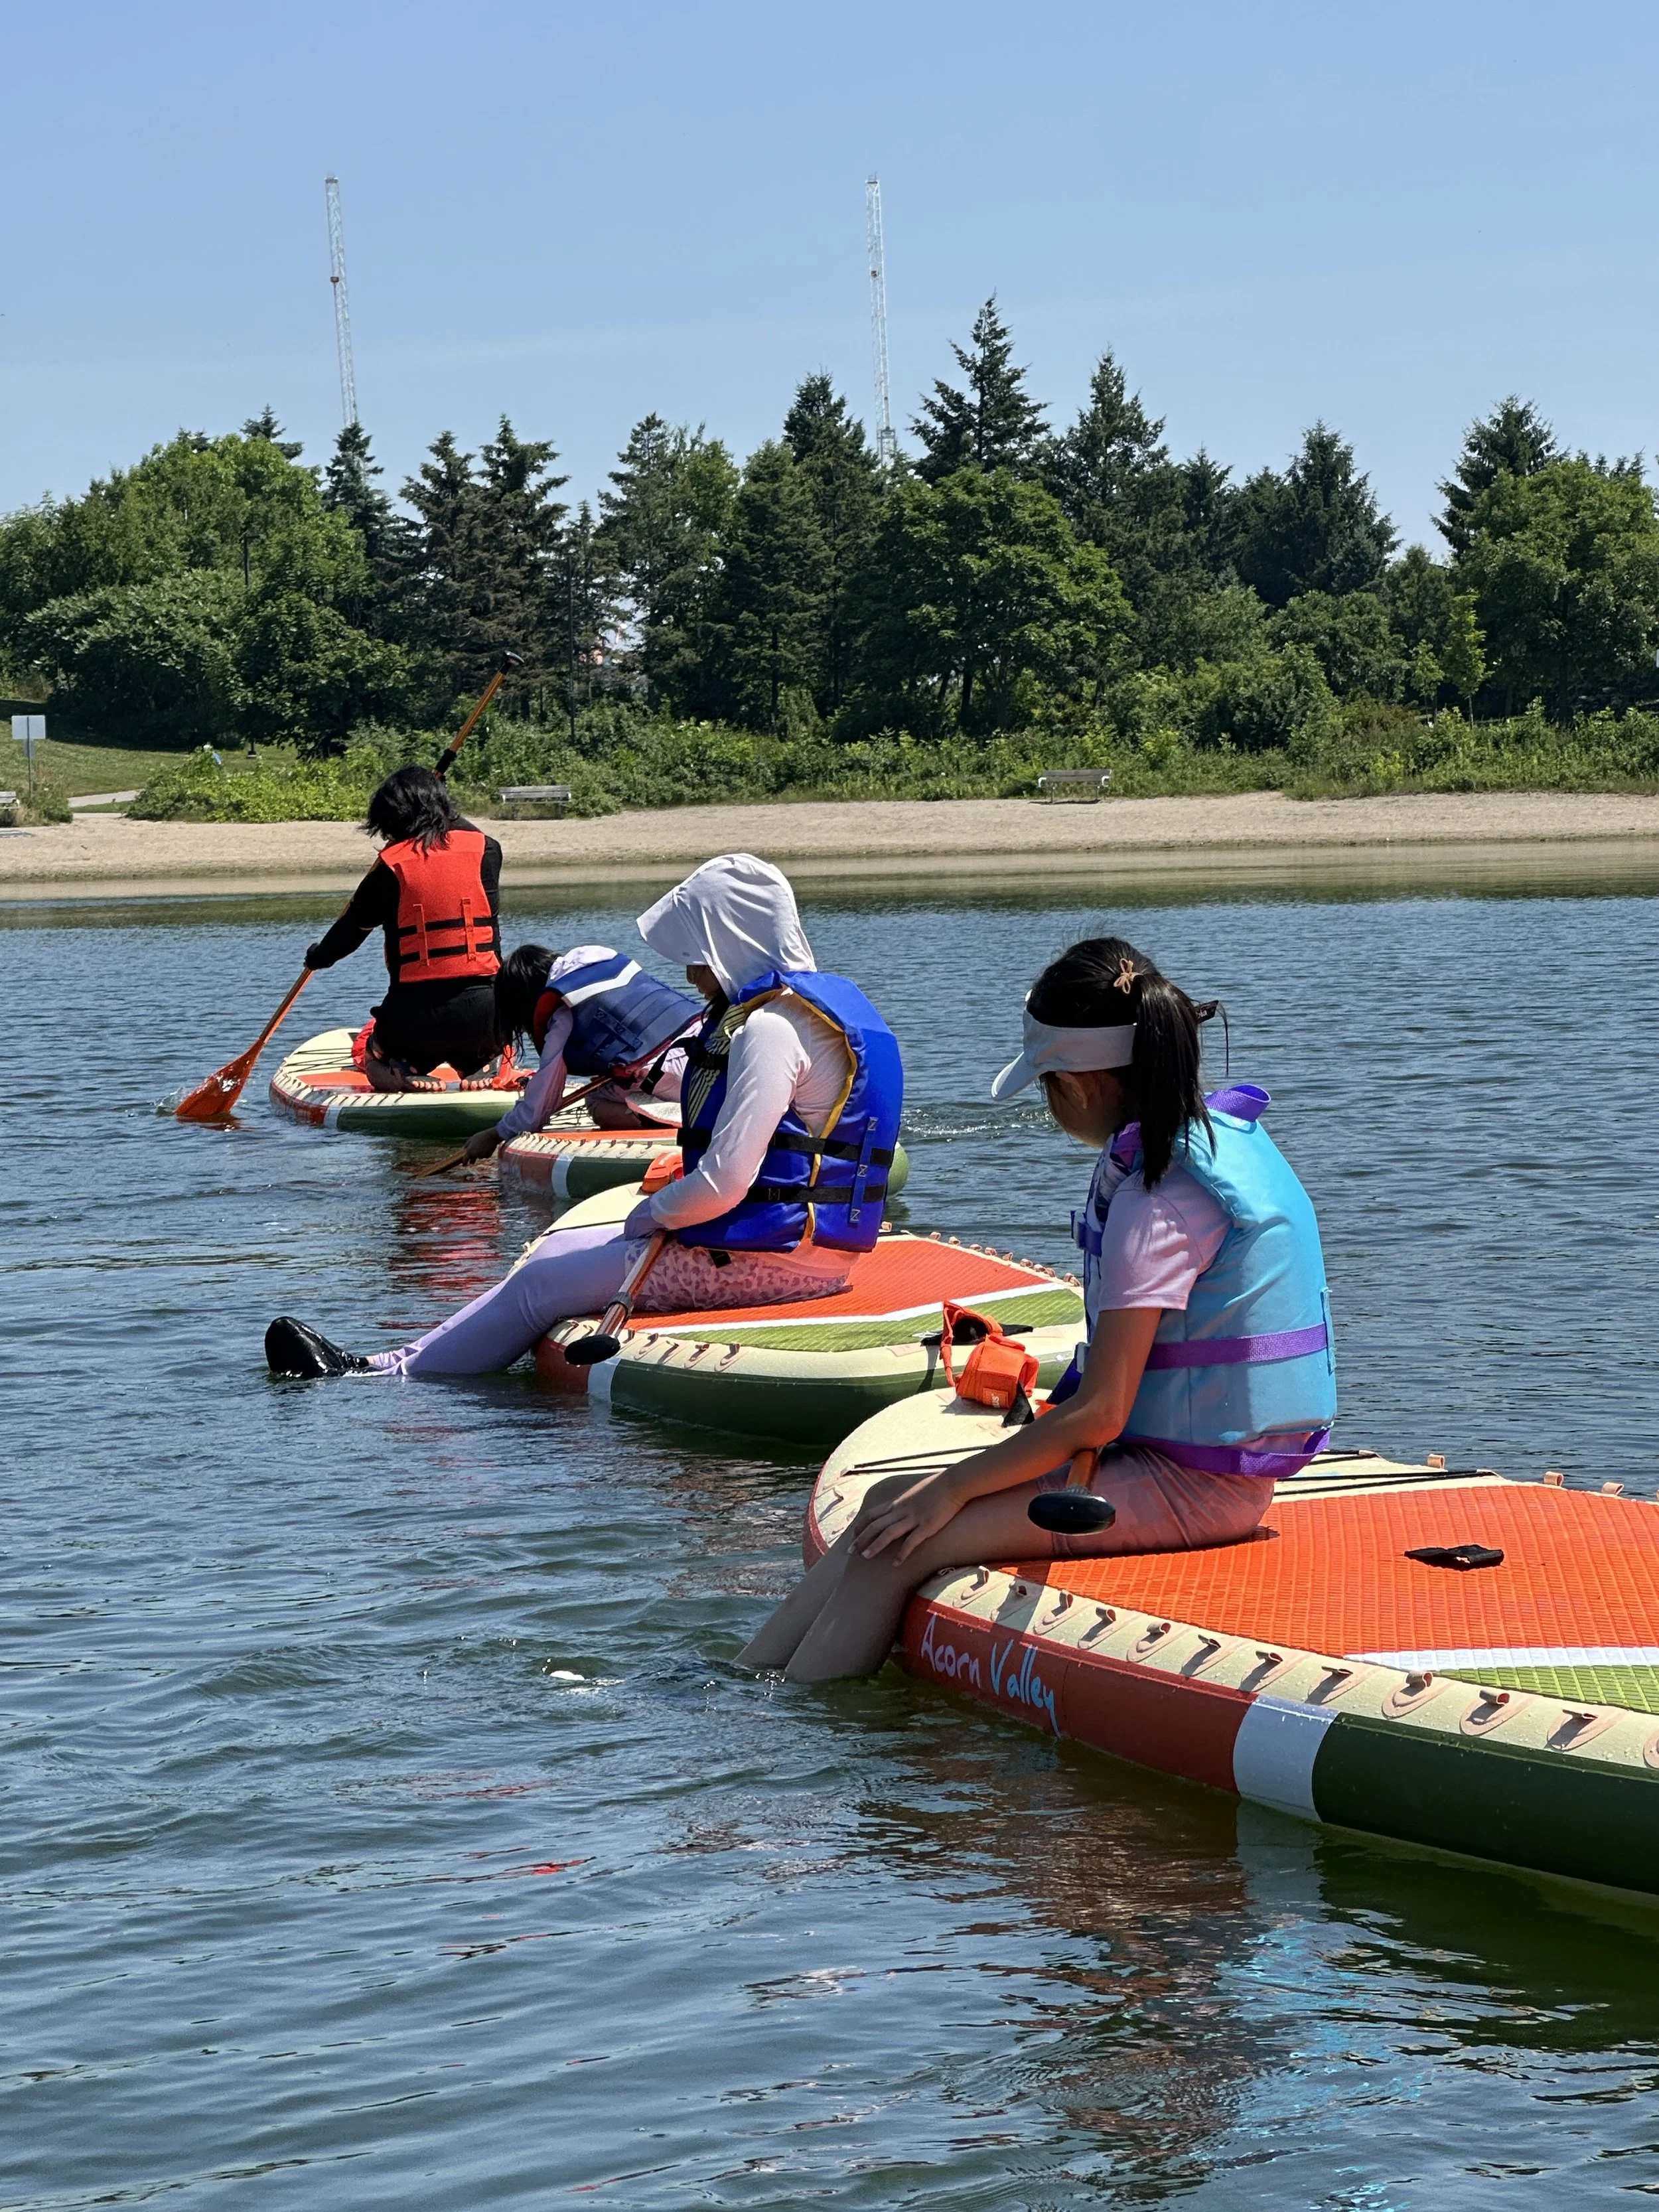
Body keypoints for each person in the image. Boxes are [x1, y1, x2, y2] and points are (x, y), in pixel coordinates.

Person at [740, 934, 1336, 1682]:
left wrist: (954, 1487)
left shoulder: (1156, 1203)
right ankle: (746, 1681)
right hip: (1177, 1467)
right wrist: (935, 1491)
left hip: (1196, 1489)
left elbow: (1102, 1416)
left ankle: (787, 1723)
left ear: (1078, 1085)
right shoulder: (1215, 1143)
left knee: (907, 1537)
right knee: (892, 1503)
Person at [265, 853, 905, 1379]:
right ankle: (402, 1355)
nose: (688, 971)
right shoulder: (820, 1011)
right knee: (559, 1246)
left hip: (774, 1264)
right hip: (811, 1252)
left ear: (728, 942)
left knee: (539, 1284)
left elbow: (726, 1182)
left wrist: (651, 1213)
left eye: (697, 953)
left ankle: (386, 1373)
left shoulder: (769, 1027)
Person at [304, 766, 503, 1091]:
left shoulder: (389, 867)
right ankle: (489, 1063)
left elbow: (349, 933)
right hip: (485, 1016)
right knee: (489, 1037)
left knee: (374, 1053)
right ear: (442, 806)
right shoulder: (488, 851)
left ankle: (399, 1070)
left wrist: (317, 957)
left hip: (414, 1020)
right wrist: (440, 802)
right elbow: (469, 833)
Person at [457, 944, 703, 1164]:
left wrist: (494, 1135)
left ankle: (660, 1119)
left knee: (596, 1101)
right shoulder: (602, 964)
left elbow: (540, 1106)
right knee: (610, 1083)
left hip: (676, 1075)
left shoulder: (563, 1014)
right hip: (706, 1047)